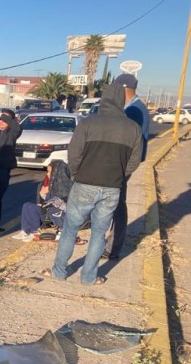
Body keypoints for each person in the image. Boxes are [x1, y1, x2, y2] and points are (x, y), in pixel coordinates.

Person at [44, 81, 143, 285]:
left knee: (70, 229)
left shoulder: (88, 123)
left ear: (104, 99)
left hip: (84, 184)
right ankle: (89, 277)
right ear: (121, 100)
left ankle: (59, 271)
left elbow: (74, 154)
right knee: (99, 233)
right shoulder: (133, 128)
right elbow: (134, 161)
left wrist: (77, 175)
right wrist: (118, 176)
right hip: (112, 187)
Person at [103, 73, 150, 260]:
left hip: (122, 164)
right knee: (116, 204)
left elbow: (126, 141)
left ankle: (112, 247)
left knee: (116, 205)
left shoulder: (133, 111)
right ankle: (112, 244)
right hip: (124, 164)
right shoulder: (135, 107)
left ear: (123, 89)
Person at [11, 159, 72, 241]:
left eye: (50, 172)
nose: (47, 174)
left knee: (33, 208)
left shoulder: (64, 186)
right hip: (46, 209)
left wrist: (47, 200)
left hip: (56, 214)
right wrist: (43, 195)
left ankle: (34, 231)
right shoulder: (45, 184)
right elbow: (41, 199)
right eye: (47, 172)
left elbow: (62, 204)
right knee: (27, 205)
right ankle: (25, 231)